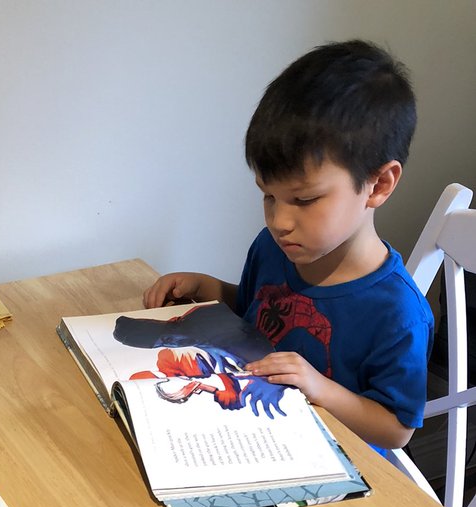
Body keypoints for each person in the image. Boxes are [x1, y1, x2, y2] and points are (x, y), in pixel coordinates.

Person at [143, 39, 433, 451]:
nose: (279, 221)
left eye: (304, 200)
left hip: (337, 464)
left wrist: (319, 387)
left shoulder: (398, 313)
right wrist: (207, 288)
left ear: (378, 184)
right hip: (247, 435)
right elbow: (254, 310)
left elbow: (395, 430)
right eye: (268, 196)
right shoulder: (275, 248)